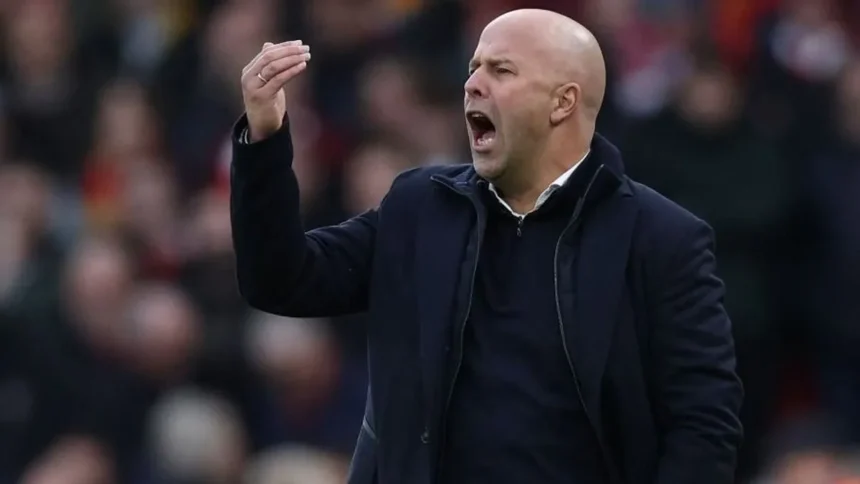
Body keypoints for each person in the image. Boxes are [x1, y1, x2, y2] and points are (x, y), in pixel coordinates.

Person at [230, 8, 744, 484]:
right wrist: (264, 141)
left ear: (563, 102)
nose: (472, 84)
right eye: (474, 67)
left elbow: (703, 423)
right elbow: (282, 280)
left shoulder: (660, 238)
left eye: (501, 71)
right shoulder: (420, 208)